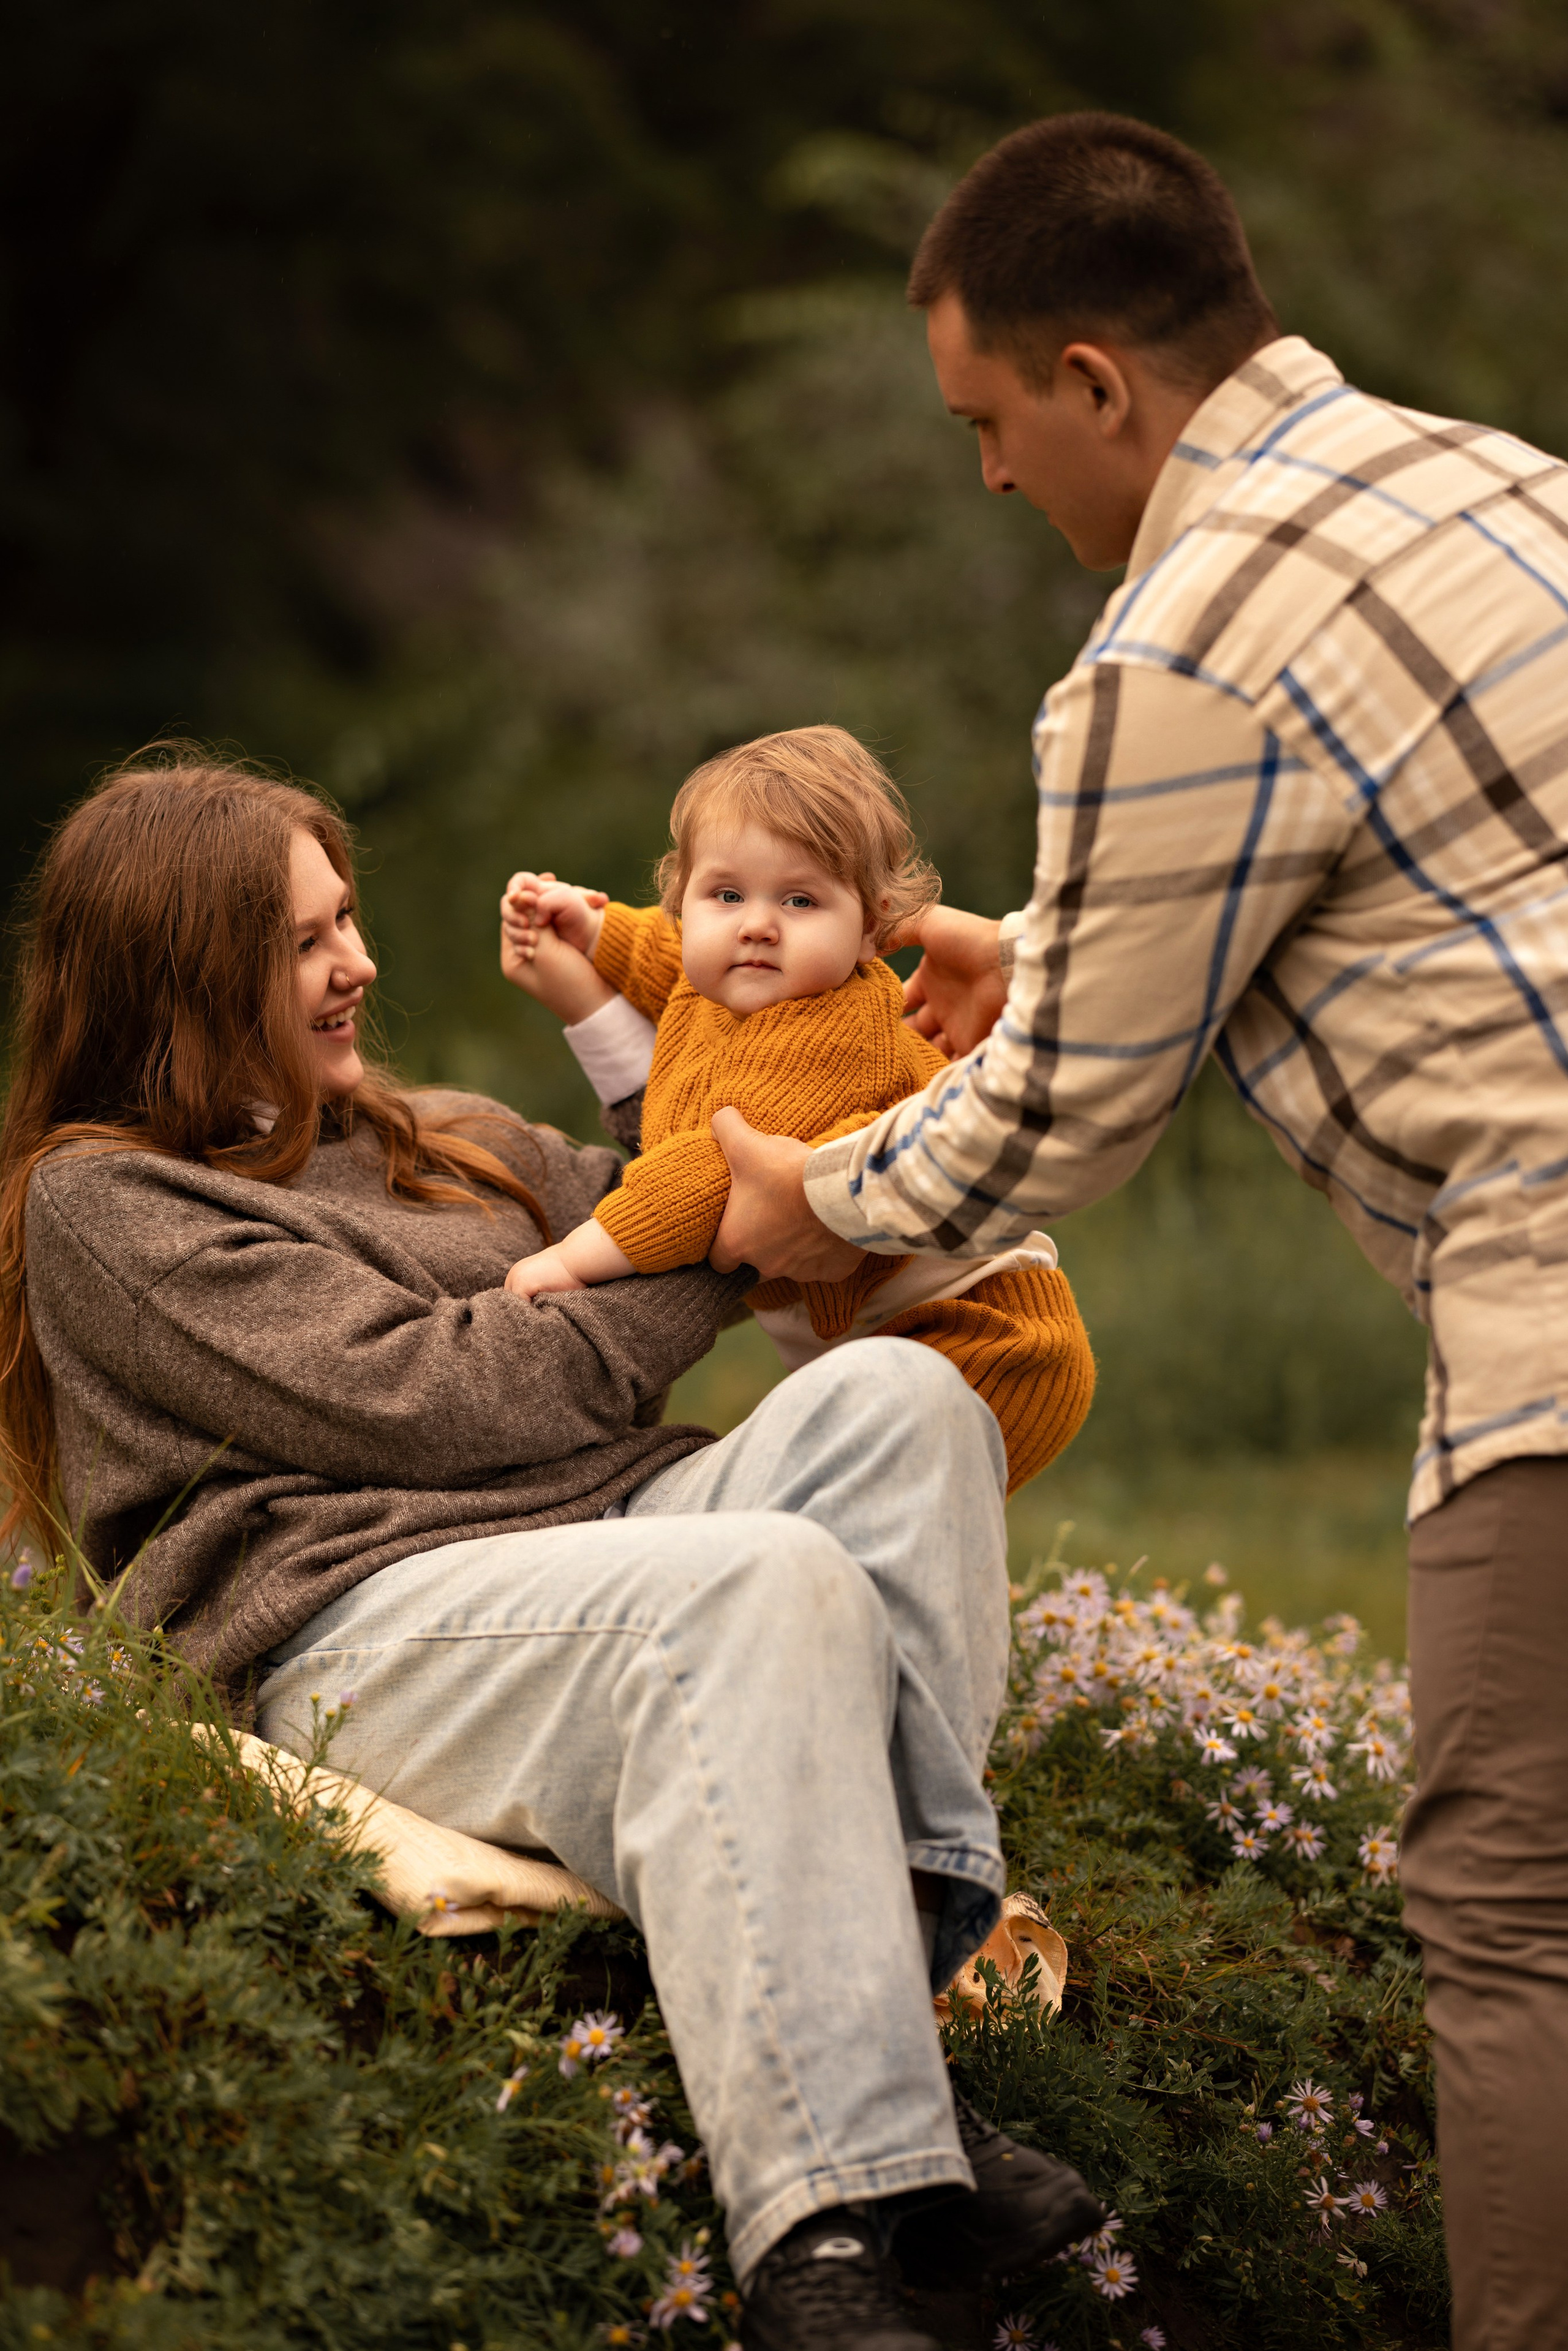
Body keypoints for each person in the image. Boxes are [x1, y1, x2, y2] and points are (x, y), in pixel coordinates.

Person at [708, 108, 1568, 2351]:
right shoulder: (1496, 481)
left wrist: (821, 1192)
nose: (989, 475)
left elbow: (1054, 1130)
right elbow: (1445, 882)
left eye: (987, 419)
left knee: (1511, 1910)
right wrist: (1052, 950)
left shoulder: (1166, 650)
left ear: (1094, 381)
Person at [0, 752, 1102, 2351]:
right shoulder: (112, 1201)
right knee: (765, 1577)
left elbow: (672, 1153)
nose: (359, 961)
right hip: (364, 1631)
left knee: (904, 1395)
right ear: (186, 964)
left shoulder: (422, 1130)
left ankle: (905, 1991)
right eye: (310, 938)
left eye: (351, 918)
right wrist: (740, 1238)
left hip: (608, 1545)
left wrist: (864, 1093)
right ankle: (824, 2240)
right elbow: (429, 1394)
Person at [497, 723, 1093, 1495]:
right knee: (860, 1542)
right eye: (726, 893)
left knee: (867, 1523)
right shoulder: (729, 980)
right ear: (685, 899)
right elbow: (661, 956)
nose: (756, 923)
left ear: (872, 928)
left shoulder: (832, 1031)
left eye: (800, 899)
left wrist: (571, 1260)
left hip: (985, 1342)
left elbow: (707, 1178)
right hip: (880, 1344)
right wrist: (592, 927)